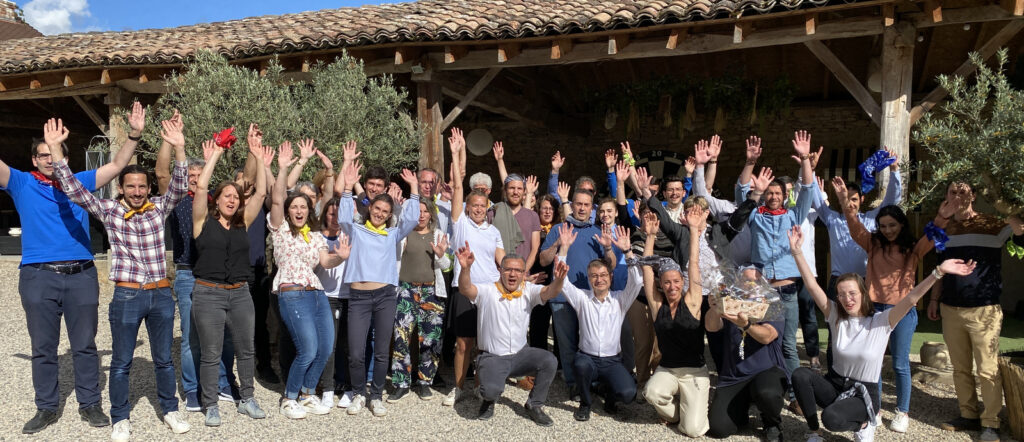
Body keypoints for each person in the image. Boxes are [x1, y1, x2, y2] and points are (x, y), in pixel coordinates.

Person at [47, 116, 191, 441]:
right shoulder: (110, 211)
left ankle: (169, 409)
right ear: (120, 188)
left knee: (164, 361)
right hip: (127, 296)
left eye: (142, 186)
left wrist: (179, 146)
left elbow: (181, 186)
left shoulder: (159, 207)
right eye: (131, 186)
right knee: (123, 362)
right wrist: (56, 149)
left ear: (149, 187)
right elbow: (73, 188)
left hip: (161, 295)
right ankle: (120, 418)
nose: (137, 191)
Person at [4, 104, 145, 434]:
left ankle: (90, 404)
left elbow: (119, 164)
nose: (49, 160)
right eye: (42, 155)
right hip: (38, 276)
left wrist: (135, 134)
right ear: (34, 159)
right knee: (43, 348)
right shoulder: (21, 183)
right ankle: (47, 407)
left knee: (85, 345)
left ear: (65, 158)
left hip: (81, 275)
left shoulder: (81, 182)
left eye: (54, 154)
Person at [789, 225, 976, 442]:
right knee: (800, 374)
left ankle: (865, 422)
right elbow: (812, 286)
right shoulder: (836, 317)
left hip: (863, 392)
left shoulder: (881, 321)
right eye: (841, 295)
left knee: (832, 418)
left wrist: (938, 272)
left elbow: (911, 298)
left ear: (862, 293)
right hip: (835, 384)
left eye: (852, 293)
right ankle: (814, 431)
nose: (847, 299)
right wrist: (797, 251)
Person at [830, 175, 949, 433]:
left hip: (902, 313)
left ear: (901, 225)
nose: (887, 230)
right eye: (883, 226)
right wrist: (845, 203)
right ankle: (875, 408)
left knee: (900, 363)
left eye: (892, 225)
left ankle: (902, 412)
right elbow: (854, 226)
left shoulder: (913, 249)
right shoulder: (873, 245)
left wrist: (943, 214)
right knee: (874, 364)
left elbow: (934, 232)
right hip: (874, 313)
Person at [164, 122, 252, 411]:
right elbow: (163, 174)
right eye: (190, 175)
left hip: (218, 277)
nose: (194, 179)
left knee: (224, 337)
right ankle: (192, 390)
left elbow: (247, 185)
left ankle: (223, 384)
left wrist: (249, 152)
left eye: (199, 175)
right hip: (189, 273)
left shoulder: (217, 204)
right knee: (192, 339)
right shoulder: (176, 200)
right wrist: (174, 144)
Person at [930, 181, 1024, 441]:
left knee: (987, 369)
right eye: (952, 191)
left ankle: (991, 422)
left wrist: (1018, 225)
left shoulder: (992, 224)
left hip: (985, 310)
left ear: (972, 195)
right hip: (951, 307)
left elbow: (1020, 237)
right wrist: (934, 299)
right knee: (960, 368)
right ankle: (968, 415)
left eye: (963, 191)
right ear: (946, 196)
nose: (957, 195)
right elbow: (939, 267)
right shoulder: (942, 227)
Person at [191, 131, 269, 426]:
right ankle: (210, 404)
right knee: (211, 352)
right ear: (217, 199)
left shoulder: (243, 223)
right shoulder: (202, 221)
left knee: (246, 349)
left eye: (236, 197)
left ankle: (246, 398)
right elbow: (200, 187)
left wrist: (259, 157)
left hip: (240, 293)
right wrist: (217, 154)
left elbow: (260, 194)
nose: (232, 201)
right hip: (208, 293)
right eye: (227, 196)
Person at [337, 149, 421, 417]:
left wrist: (415, 188)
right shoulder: (356, 229)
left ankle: (376, 395)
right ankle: (358, 394)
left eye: (386, 211)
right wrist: (349, 187)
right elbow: (342, 217)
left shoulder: (392, 235)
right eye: (377, 208)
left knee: (383, 351)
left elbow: (411, 218)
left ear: (388, 213)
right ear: (369, 207)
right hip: (359, 298)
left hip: (385, 296)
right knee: (356, 352)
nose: (380, 213)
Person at [269, 139, 349, 419]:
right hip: (292, 293)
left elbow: (326, 262)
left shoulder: (314, 235)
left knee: (325, 348)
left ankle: (306, 393)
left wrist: (341, 256)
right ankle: (289, 398)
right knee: (308, 348)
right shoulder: (279, 230)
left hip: (316, 294)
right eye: (295, 207)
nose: (299, 210)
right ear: (289, 211)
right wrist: (283, 168)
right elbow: (277, 197)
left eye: (304, 207)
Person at [454, 246, 569, 426]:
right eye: (508, 269)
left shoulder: (528, 290)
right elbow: (465, 288)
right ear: (500, 271)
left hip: (520, 355)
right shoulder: (487, 291)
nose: (512, 274)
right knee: (491, 390)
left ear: (524, 274)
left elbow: (549, 292)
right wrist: (466, 269)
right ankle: (488, 400)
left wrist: (560, 280)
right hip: (493, 356)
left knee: (549, 360)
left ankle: (534, 405)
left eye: (518, 270)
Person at [746, 130, 816, 378]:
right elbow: (742, 191)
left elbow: (807, 188)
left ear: (785, 197)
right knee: (757, 341)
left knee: (788, 345)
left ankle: (796, 393)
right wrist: (750, 162)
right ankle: (762, 386)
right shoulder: (756, 216)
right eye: (770, 193)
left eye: (778, 194)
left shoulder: (793, 216)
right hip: (762, 290)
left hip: (787, 291)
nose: (774, 197)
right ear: (765, 195)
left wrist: (805, 158)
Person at [445, 128, 506, 406]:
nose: (479, 208)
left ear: (487, 206)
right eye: (474, 205)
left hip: (488, 291)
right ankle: (458, 388)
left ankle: (481, 388)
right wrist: (458, 153)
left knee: (484, 346)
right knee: (463, 343)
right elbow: (457, 187)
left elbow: (502, 261)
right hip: (464, 289)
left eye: (483, 205)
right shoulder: (460, 224)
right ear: (468, 207)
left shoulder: (493, 231)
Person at [558, 222, 642, 421]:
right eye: (594, 276)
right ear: (589, 279)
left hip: (612, 360)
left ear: (610, 278)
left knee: (628, 394)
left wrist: (628, 251)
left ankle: (610, 398)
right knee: (580, 366)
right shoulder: (582, 298)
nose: (599, 279)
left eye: (603, 275)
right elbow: (561, 280)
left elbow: (637, 281)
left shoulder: (620, 299)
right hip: (587, 358)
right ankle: (586, 402)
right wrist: (564, 248)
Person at [538, 185, 614, 401]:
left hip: (591, 298)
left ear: (592, 208)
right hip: (562, 297)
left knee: (590, 342)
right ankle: (574, 383)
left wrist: (608, 249)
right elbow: (544, 260)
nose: (582, 208)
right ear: (571, 205)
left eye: (586, 205)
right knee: (566, 343)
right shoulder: (558, 229)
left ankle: (593, 381)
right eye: (578, 204)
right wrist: (558, 243)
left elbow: (612, 265)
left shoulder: (598, 232)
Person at [640, 210, 711, 437]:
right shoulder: (657, 306)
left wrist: (693, 231)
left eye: (676, 281)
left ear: (683, 282)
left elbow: (694, 264)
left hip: (694, 373)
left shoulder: (692, 302)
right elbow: (646, 270)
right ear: (662, 284)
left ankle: (693, 406)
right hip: (668, 369)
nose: (672, 286)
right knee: (651, 393)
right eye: (667, 282)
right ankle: (675, 413)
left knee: (692, 431)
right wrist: (650, 237)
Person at [705, 268, 789, 440]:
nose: (751, 284)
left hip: (766, 371)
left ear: (763, 284)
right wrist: (715, 308)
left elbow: (767, 336)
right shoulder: (731, 303)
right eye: (746, 280)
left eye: (756, 281)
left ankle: (772, 422)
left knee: (767, 393)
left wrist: (746, 326)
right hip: (735, 376)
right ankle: (740, 413)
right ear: (738, 283)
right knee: (718, 428)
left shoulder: (773, 305)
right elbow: (711, 327)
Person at [390, 198, 451, 402]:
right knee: (401, 337)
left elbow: (446, 266)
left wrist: (441, 255)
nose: (422, 215)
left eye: (425, 211)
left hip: (431, 292)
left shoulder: (438, 235)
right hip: (406, 290)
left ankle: (425, 382)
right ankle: (401, 383)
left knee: (431, 339)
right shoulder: (404, 234)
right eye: (418, 211)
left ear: (431, 214)